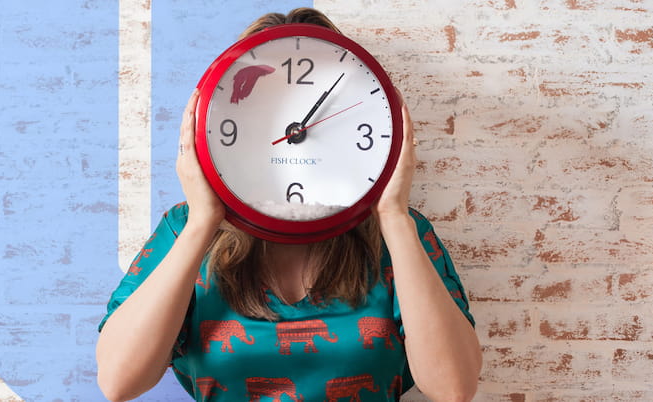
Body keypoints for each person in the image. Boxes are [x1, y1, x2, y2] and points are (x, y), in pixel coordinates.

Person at [96, 8, 481, 402]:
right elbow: (118, 381)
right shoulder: (184, 228)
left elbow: (453, 388)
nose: (294, 131)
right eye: (268, 115)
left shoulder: (399, 233)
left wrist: (393, 215)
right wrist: (204, 221)